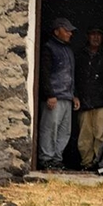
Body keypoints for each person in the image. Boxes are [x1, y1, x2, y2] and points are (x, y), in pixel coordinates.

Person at [38, 17, 80, 170]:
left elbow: (71, 75)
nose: (70, 33)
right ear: (56, 31)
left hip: (66, 97)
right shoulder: (49, 48)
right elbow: (44, 73)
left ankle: (57, 159)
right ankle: (46, 159)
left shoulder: (68, 50)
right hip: (54, 97)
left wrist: (74, 95)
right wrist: (49, 94)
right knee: (50, 128)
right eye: (66, 30)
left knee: (64, 131)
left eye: (70, 31)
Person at [75, 27, 103, 170]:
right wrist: (75, 95)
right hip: (84, 101)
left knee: (101, 135)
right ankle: (87, 164)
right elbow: (73, 77)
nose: (96, 37)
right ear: (87, 36)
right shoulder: (79, 56)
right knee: (84, 136)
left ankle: (100, 165)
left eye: (99, 34)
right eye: (93, 34)